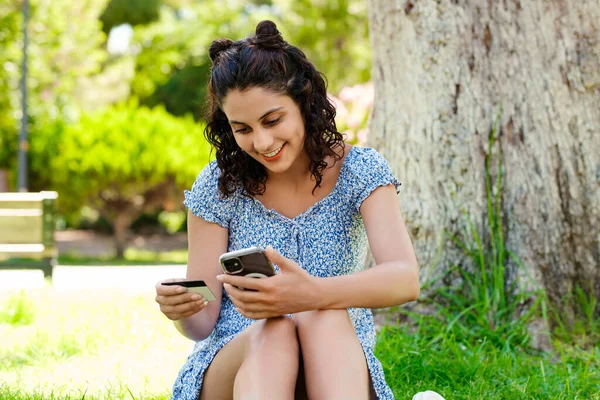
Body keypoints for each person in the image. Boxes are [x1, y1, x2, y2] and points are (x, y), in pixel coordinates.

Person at [155, 20, 427, 400]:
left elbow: (404, 278)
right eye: (242, 128)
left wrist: (312, 294)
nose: (262, 142)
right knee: (275, 329)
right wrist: (183, 309)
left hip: (334, 363)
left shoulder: (360, 170)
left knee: (326, 313)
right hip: (239, 368)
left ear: (303, 102)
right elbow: (202, 325)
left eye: (272, 120)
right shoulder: (219, 185)